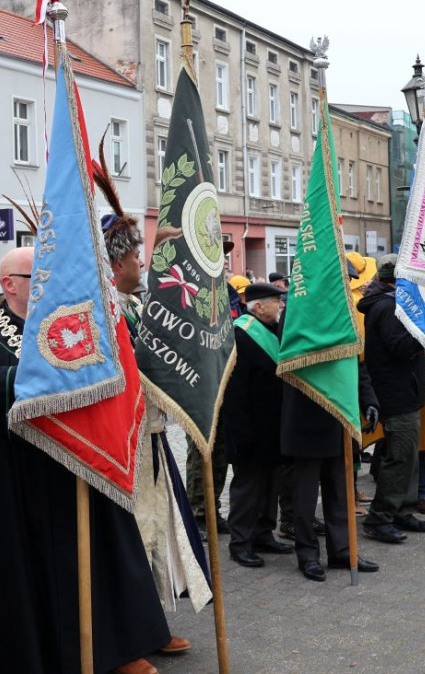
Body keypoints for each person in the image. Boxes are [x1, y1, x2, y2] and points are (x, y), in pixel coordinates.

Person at [0, 247, 172, 674]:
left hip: (72, 465)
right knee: (23, 573)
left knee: (91, 556)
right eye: (37, 278)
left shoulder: (69, 327)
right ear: (9, 284)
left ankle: (112, 648)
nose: (47, 286)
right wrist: (38, 379)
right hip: (12, 476)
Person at [100, 210, 208, 631]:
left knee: (156, 527)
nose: (143, 265)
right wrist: (160, 248)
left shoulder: (131, 304)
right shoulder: (106, 309)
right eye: (139, 258)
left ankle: (149, 624)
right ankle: (130, 630)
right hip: (123, 439)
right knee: (136, 532)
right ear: (117, 265)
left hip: (150, 434)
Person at [280, 312, 380, 582]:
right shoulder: (299, 310)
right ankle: (307, 555)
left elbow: (355, 364)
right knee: (305, 497)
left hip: (339, 423)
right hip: (306, 420)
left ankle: (343, 551)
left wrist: (368, 400)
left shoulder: (343, 311)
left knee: (341, 493)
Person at [358, 254, 425, 544]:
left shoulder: (392, 304)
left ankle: (403, 509)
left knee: (409, 456)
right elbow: (400, 348)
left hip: (404, 393)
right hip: (396, 395)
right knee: (400, 457)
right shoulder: (388, 307)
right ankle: (380, 517)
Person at [223, 282, 295, 568]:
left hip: (272, 429)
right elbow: (235, 392)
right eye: (276, 301)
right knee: (247, 489)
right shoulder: (240, 335)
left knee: (270, 486)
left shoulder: (270, 331)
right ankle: (240, 543)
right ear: (258, 306)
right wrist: (241, 434)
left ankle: (264, 533)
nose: (281, 305)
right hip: (249, 430)